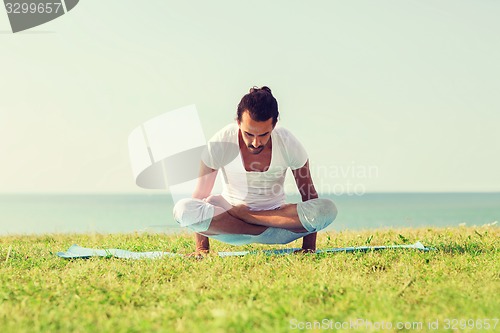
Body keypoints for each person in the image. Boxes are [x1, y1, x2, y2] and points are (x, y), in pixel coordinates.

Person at [173, 86, 337, 255]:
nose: (256, 143)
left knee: (326, 209)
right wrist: (202, 249)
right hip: (230, 225)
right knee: (183, 209)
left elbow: (309, 196)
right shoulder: (220, 143)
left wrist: (308, 248)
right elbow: (199, 196)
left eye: (264, 135)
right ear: (238, 122)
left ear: (274, 125)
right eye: (249, 134)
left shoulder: (288, 142)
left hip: (278, 225)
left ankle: (248, 218)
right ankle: (250, 223)